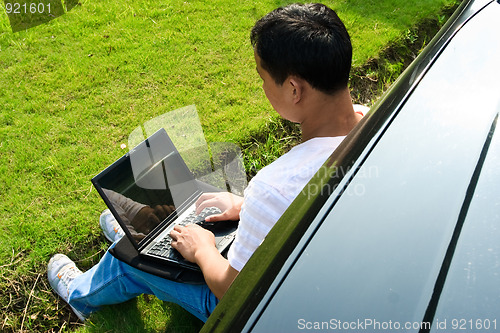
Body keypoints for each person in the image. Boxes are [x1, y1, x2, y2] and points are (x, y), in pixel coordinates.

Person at [47, 3, 366, 322]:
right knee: (163, 235)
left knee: (130, 258)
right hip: (333, 281)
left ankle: (81, 293)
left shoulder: (275, 185)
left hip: (270, 312)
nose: (263, 88)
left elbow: (235, 292)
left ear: (294, 89)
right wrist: (248, 206)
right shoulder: (375, 123)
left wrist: (203, 250)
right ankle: (141, 230)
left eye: (263, 78)